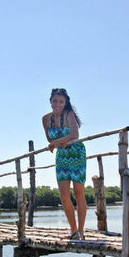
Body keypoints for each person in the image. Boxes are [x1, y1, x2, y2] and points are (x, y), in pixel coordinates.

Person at [42, 88, 87, 240]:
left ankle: (81, 230)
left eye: (61, 101)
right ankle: (73, 230)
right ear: (50, 101)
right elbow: (49, 139)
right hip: (61, 156)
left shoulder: (69, 114)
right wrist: (56, 142)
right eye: (55, 100)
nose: (58, 104)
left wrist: (56, 142)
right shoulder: (46, 119)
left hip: (76, 155)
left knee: (79, 193)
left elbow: (75, 135)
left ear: (66, 102)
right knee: (63, 196)